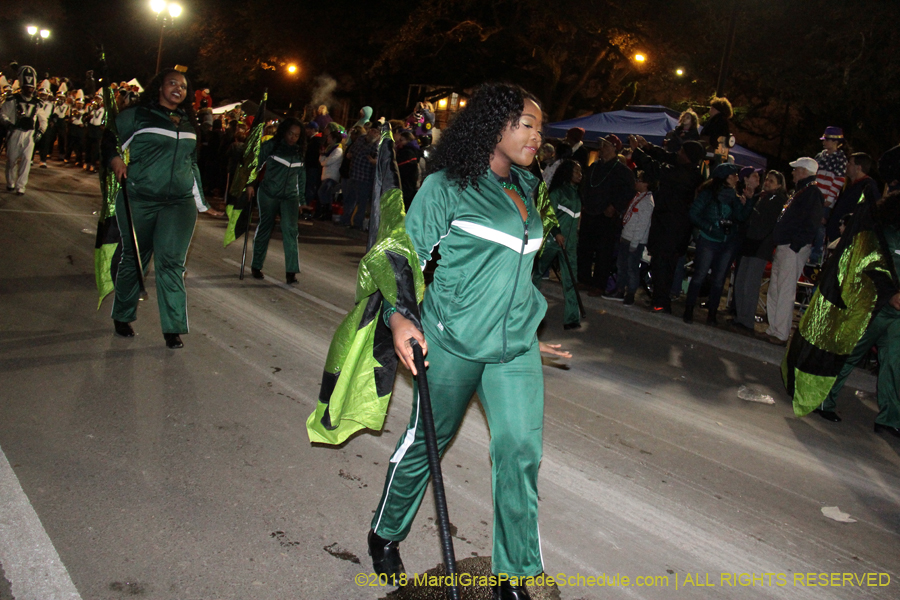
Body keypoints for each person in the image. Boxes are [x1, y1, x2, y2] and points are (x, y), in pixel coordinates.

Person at [369, 82, 561, 600]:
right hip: (450, 341)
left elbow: (515, 273)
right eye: (526, 124)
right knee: (427, 442)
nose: (536, 136)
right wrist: (399, 319)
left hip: (513, 348)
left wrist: (526, 331)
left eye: (540, 128)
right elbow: (402, 257)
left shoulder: (528, 187)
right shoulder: (448, 185)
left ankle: (512, 576)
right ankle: (385, 532)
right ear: (493, 125)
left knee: (520, 450)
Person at [104, 68, 223, 349]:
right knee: (135, 258)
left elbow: (190, 164)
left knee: (171, 264)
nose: (178, 89)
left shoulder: (188, 123)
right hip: (139, 199)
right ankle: (123, 315)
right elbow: (109, 138)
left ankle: (173, 328)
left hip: (179, 204)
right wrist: (115, 159)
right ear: (159, 87)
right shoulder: (138, 115)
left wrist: (202, 204)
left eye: (183, 86)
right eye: (172, 83)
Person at [785, 157, 900, 437]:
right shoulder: (881, 224)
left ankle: (890, 417)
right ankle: (825, 398)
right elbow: (864, 261)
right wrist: (890, 294)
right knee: (848, 354)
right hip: (871, 305)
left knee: (896, 365)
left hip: (896, 315)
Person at [629, 136, 706, 313]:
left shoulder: (684, 175)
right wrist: (648, 148)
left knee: (663, 265)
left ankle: (660, 302)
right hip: (673, 227)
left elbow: (656, 168)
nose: (678, 153)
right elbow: (668, 157)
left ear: (688, 156)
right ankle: (661, 300)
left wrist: (637, 152)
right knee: (664, 264)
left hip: (670, 228)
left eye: (682, 151)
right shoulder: (689, 171)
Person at [764, 157, 824, 345]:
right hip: (786, 244)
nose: (793, 172)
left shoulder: (811, 193)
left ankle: (781, 332)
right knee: (776, 288)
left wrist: (796, 245)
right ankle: (774, 327)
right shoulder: (802, 192)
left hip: (792, 247)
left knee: (784, 289)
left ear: (804, 171)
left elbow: (811, 223)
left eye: (796, 169)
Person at [683, 162, 750, 325]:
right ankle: (689, 309)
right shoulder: (708, 194)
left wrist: (747, 201)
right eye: (734, 175)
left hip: (727, 242)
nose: (737, 178)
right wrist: (710, 227)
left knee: (719, 280)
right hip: (709, 239)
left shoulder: (734, 196)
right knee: (700, 275)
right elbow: (693, 213)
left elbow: (741, 217)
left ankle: (712, 313)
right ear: (725, 177)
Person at [247, 117, 307, 283]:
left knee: (290, 230)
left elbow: (301, 177)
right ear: (284, 132)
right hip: (268, 193)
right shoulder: (271, 146)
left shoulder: (299, 152)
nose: (293, 138)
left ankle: (291, 272)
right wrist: (250, 184)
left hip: (290, 196)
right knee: (265, 226)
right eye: (290, 134)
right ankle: (256, 265)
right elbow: (256, 164)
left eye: (297, 135)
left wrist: (301, 200)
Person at [578, 134, 635, 295]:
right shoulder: (594, 167)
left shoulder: (622, 171)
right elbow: (585, 186)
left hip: (606, 216)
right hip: (590, 213)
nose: (601, 149)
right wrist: (584, 202)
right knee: (585, 248)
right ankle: (584, 279)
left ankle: (599, 284)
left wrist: (615, 206)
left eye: (605, 146)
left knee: (603, 252)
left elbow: (628, 192)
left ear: (614, 149)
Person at [731, 171, 788, 333]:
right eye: (767, 180)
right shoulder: (761, 197)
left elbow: (767, 222)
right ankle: (740, 316)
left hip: (761, 245)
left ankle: (747, 320)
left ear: (779, 184)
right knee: (741, 280)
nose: (767, 183)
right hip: (750, 242)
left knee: (750, 283)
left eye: (771, 181)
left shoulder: (778, 200)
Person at [533, 159, 582, 328]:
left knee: (571, 279)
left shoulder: (577, 193)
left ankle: (572, 318)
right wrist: (556, 233)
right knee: (537, 273)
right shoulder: (558, 192)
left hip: (570, 244)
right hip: (552, 241)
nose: (580, 175)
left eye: (580, 172)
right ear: (567, 172)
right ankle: (527, 308)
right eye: (576, 171)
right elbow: (548, 213)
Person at [605, 170, 655, 305]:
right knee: (621, 265)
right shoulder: (638, 197)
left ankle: (630, 293)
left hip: (635, 241)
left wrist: (634, 242)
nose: (636, 182)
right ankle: (620, 290)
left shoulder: (647, 202)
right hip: (627, 237)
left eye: (639, 180)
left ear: (646, 184)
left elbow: (642, 225)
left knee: (632, 268)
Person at [1, 65, 46, 195]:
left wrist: (40, 131)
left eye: (31, 87)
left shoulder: (38, 103)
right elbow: (2, 114)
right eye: (27, 87)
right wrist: (7, 123)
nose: (29, 90)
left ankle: (21, 186)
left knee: (26, 161)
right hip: (15, 132)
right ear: (22, 87)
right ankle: (10, 182)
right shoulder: (12, 100)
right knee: (11, 160)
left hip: (29, 135)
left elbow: (44, 119)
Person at [826, 152, 880, 243]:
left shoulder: (867, 186)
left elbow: (870, 212)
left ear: (858, 167)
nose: (846, 165)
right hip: (838, 236)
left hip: (850, 239)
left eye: (850, 163)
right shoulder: (850, 185)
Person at [341, 125, 379, 229]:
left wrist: (374, 161)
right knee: (349, 199)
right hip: (353, 174)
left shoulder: (377, 145)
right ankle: (345, 220)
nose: (373, 133)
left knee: (362, 202)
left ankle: (357, 223)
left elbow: (378, 159)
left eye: (376, 132)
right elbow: (352, 149)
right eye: (372, 130)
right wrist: (349, 154)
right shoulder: (361, 139)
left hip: (365, 177)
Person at [317, 125, 343, 219]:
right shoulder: (329, 149)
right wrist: (323, 156)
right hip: (326, 175)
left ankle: (327, 211)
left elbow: (327, 162)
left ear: (334, 139)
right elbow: (322, 161)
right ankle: (326, 212)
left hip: (331, 176)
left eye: (329, 137)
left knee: (323, 192)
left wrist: (323, 160)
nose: (327, 139)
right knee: (326, 193)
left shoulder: (338, 150)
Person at [394, 130, 421, 209]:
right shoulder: (412, 151)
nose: (399, 142)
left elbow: (398, 166)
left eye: (401, 140)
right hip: (409, 185)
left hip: (406, 186)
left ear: (408, 140)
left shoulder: (408, 152)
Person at [703, 97, 733, 164]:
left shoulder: (717, 121)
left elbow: (715, 136)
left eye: (712, 108)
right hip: (714, 152)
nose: (710, 110)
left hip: (711, 151)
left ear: (717, 110)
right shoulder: (721, 121)